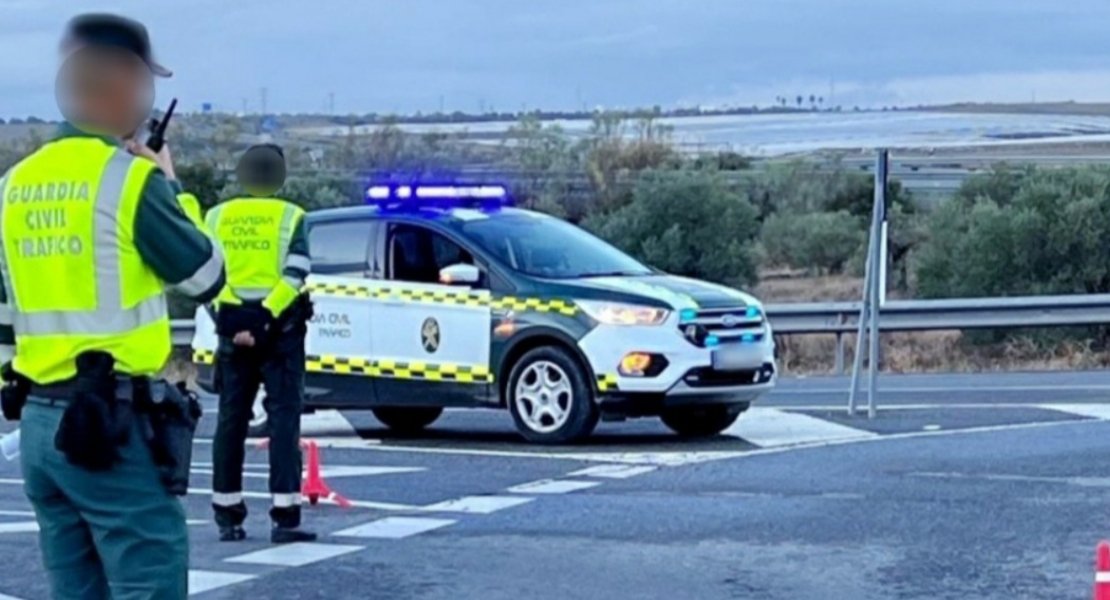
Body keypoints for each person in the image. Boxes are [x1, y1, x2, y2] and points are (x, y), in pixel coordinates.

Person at [0, 13, 225, 600]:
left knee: (75, 588)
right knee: (148, 578)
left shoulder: (14, 185)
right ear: (119, 89)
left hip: (41, 424)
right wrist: (169, 186)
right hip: (111, 425)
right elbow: (205, 277)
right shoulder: (128, 181)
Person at [207, 143, 316, 544]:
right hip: (280, 335)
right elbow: (296, 274)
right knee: (284, 421)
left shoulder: (217, 216)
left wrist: (232, 321)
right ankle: (285, 516)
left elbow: (207, 274)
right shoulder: (292, 216)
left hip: (233, 334)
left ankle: (227, 517)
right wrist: (265, 318)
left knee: (231, 422)